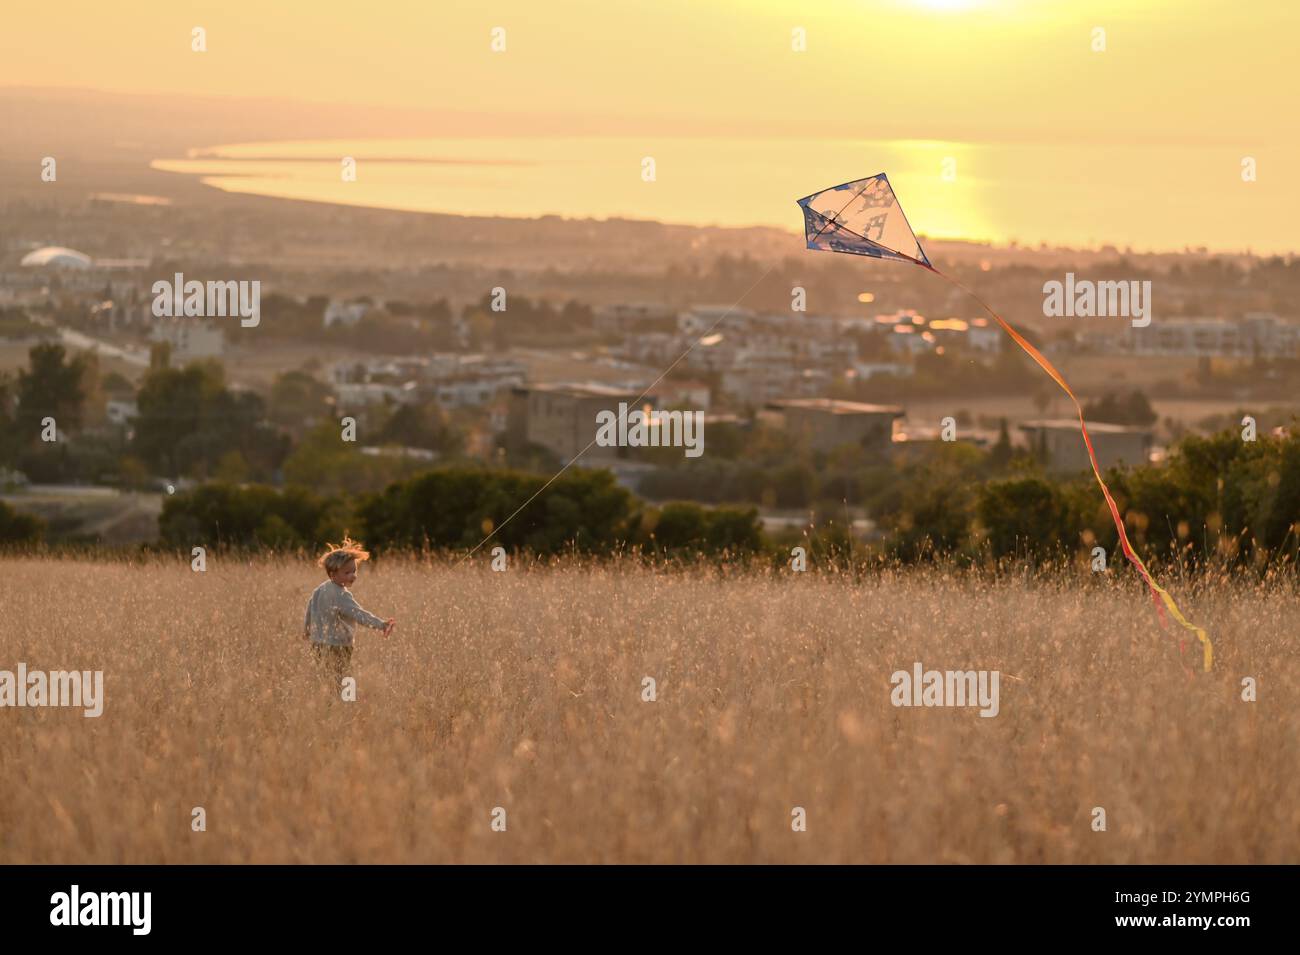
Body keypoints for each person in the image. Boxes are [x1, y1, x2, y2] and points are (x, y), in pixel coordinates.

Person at [303, 535, 394, 682]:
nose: (353, 576)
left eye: (354, 571)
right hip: (338, 646)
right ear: (333, 574)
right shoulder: (341, 595)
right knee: (346, 679)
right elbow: (359, 614)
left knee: (324, 680)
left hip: (317, 644)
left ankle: (325, 703)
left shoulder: (319, 590)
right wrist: (381, 624)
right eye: (347, 573)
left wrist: (307, 630)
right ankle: (348, 703)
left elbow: (310, 609)